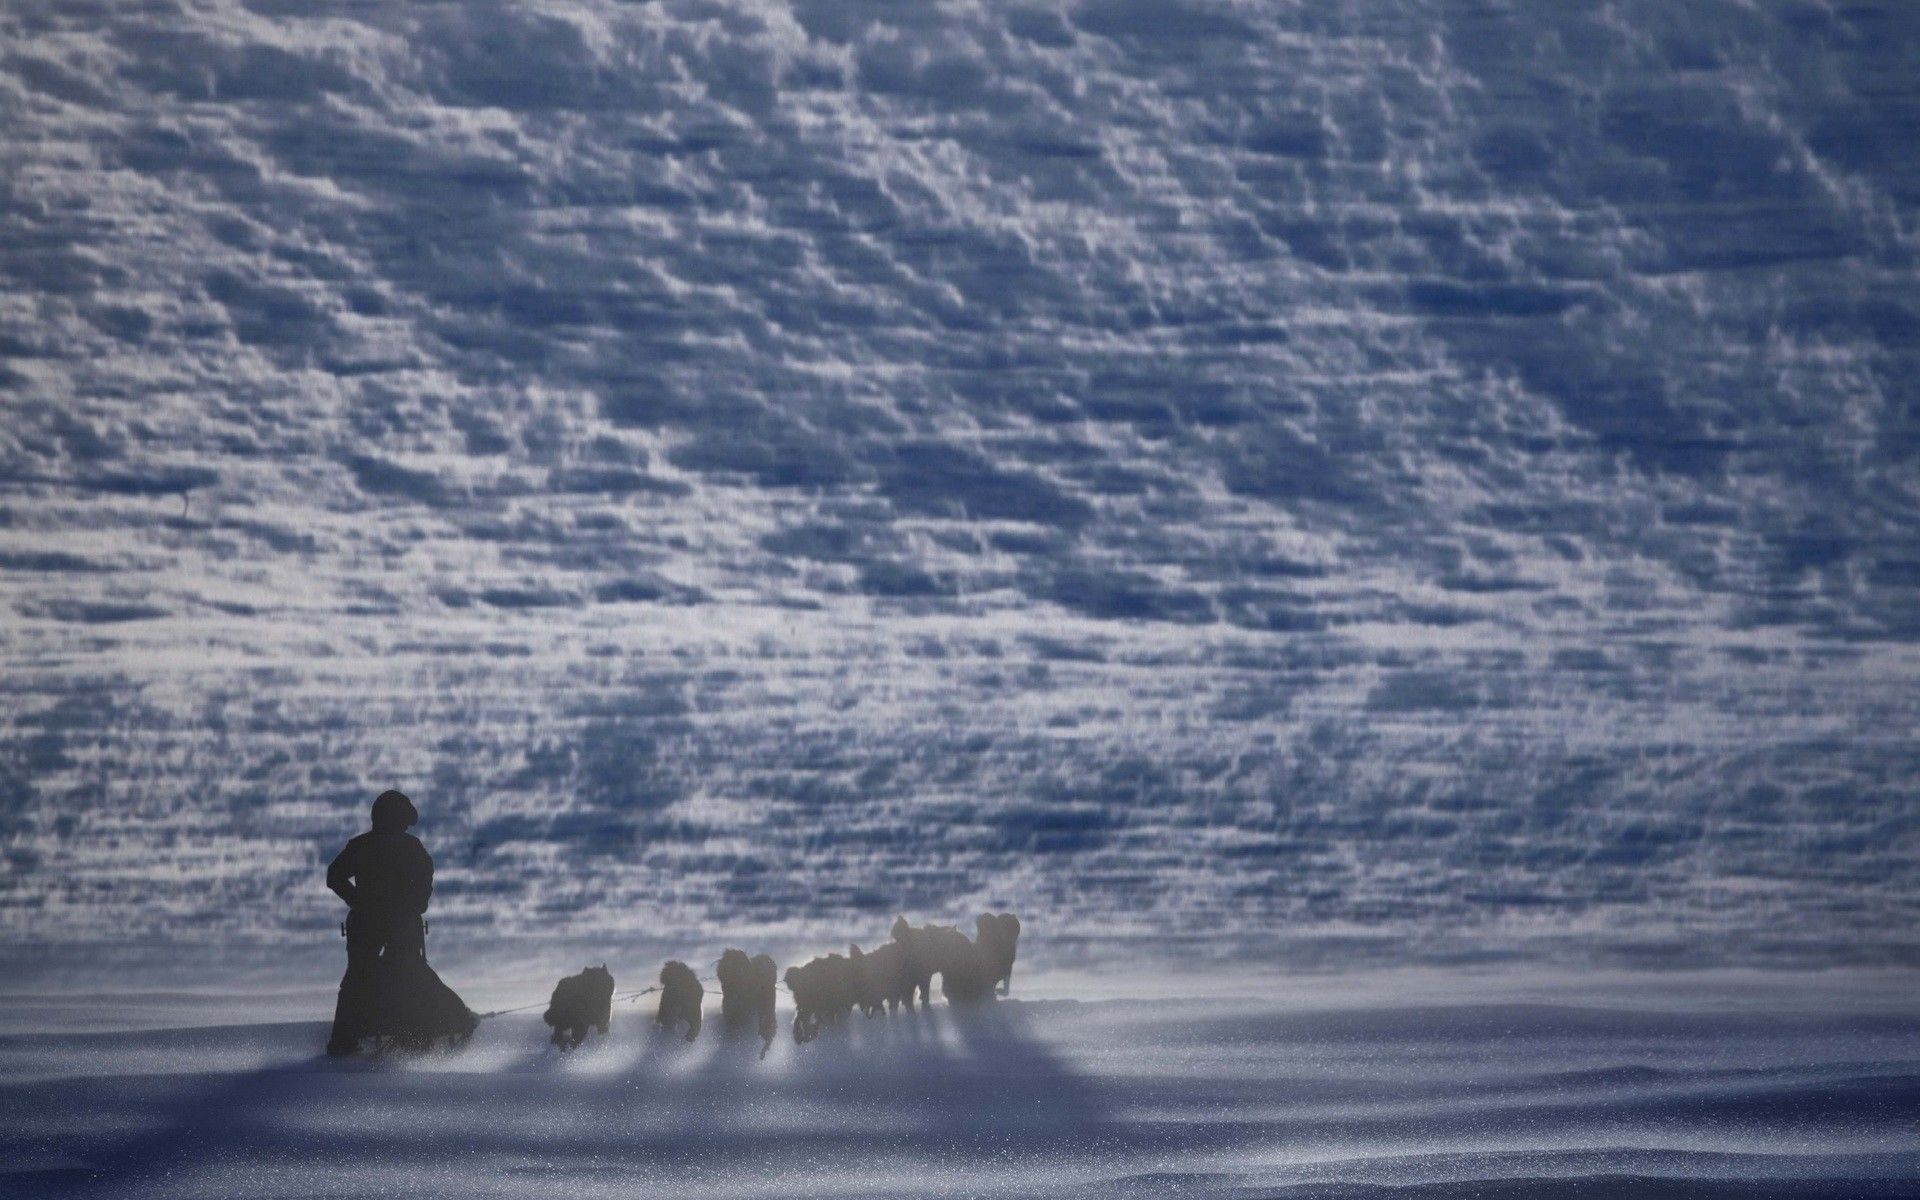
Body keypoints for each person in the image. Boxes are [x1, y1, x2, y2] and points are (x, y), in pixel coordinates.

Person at [325, 789, 435, 1056]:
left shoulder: (364, 845)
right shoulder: (411, 847)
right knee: (406, 973)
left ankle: (345, 1041)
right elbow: (424, 884)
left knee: (359, 978)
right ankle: (411, 1037)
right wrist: (410, 907)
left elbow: (334, 876)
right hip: (389, 923)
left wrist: (359, 901)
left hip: (372, 922)